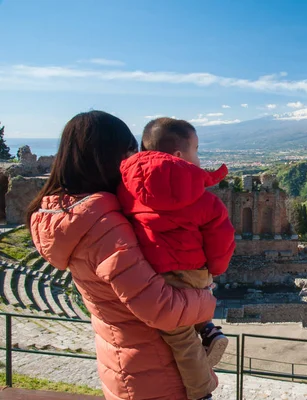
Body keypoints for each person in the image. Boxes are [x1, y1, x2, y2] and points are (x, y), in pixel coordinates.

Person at [27, 111, 218, 400]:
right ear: (107, 157)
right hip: (154, 372)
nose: (135, 161)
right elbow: (162, 308)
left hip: (126, 362)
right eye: (129, 151)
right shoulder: (103, 225)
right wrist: (208, 298)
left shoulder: (75, 217)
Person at [117, 117, 235, 399]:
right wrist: (215, 270)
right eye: (196, 150)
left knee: (176, 328)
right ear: (180, 156)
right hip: (194, 272)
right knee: (183, 333)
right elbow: (221, 240)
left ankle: (206, 330)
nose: (198, 157)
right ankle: (202, 390)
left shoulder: (125, 189)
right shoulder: (203, 198)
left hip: (153, 271)